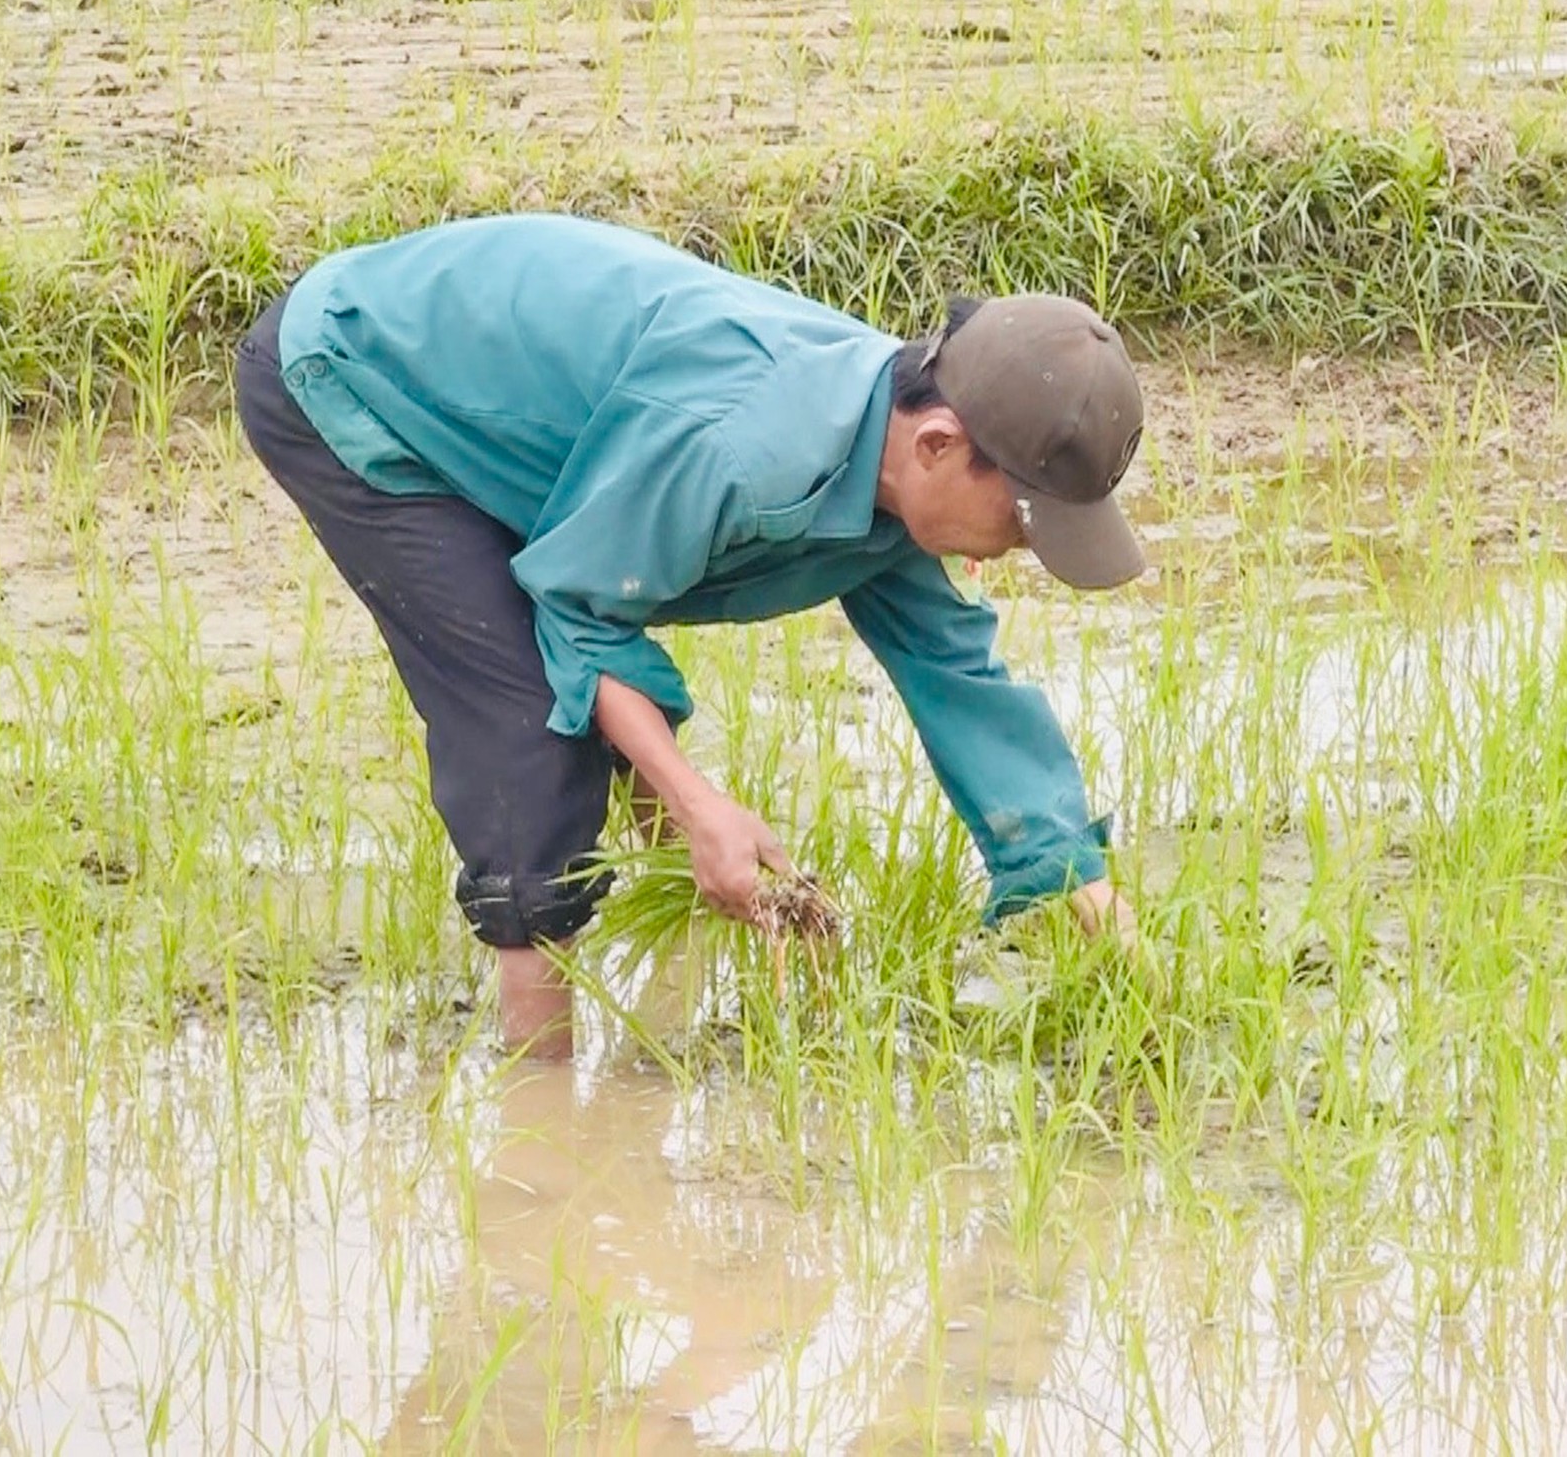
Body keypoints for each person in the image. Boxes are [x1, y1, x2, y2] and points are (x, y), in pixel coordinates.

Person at [233, 213, 1142, 1060]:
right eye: (1021, 524)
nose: (1019, 549)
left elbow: (961, 676)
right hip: (359, 370)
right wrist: (698, 803)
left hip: (522, 411)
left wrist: (1081, 887)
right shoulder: (747, 449)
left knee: (588, 674)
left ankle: (656, 994)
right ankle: (541, 1103)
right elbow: (581, 606)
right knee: (527, 729)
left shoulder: (889, 460)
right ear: (941, 444)